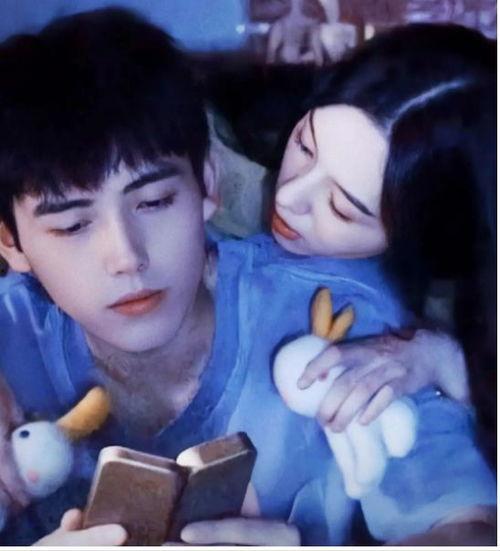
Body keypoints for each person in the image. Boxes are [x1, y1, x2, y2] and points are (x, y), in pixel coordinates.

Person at [0, 9, 495, 545]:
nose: (126, 257)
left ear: (208, 184)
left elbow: (466, 529)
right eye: (73, 226)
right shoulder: (12, 334)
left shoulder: (348, 322)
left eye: (156, 201)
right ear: (10, 241)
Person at [269, 23, 496, 442]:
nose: (288, 197)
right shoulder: (209, 169)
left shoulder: (470, 294)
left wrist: (445, 360)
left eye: (341, 209)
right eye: (304, 146)